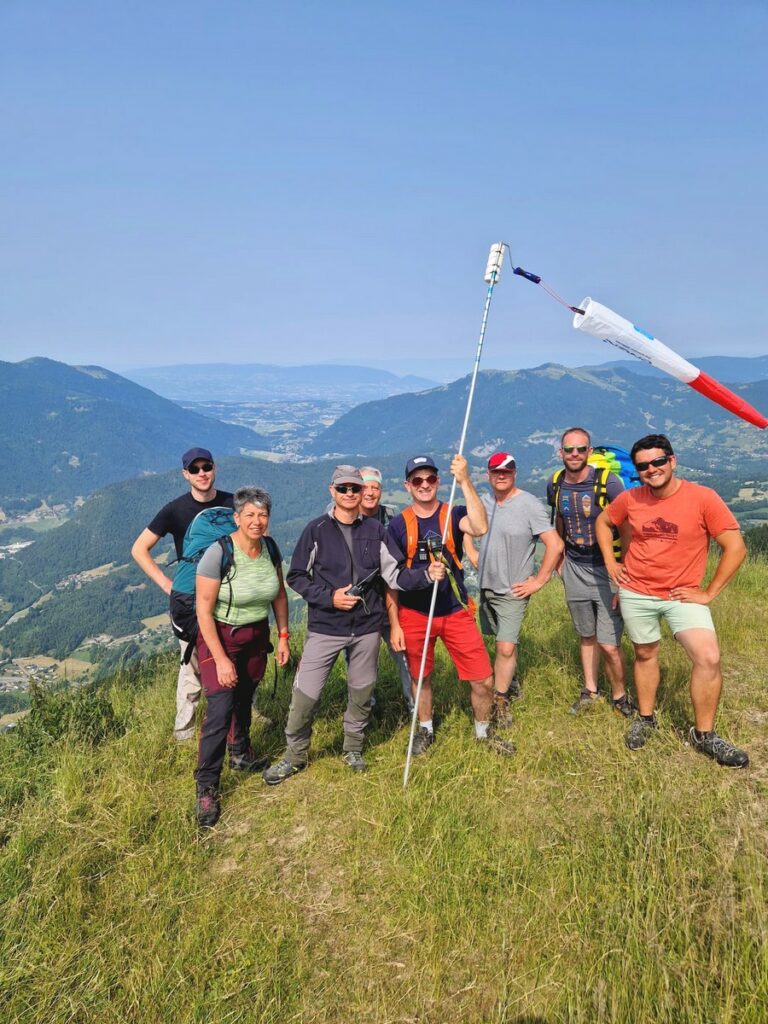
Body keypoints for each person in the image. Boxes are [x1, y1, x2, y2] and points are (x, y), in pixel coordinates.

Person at [262, 466, 444, 785]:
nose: (350, 494)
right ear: (331, 491)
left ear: (362, 494)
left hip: (366, 628)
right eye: (343, 488)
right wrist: (329, 598)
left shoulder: (376, 531)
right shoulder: (315, 530)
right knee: (306, 695)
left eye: (355, 489)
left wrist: (427, 574)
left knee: (361, 693)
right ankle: (295, 755)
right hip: (325, 627)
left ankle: (353, 749)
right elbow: (296, 577)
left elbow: (394, 574)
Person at [595, 434, 749, 767]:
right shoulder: (631, 498)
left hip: (682, 594)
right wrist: (611, 563)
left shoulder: (702, 498)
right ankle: (646, 718)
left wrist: (708, 593)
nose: (651, 469)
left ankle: (703, 735)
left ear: (672, 461)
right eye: (643, 466)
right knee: (645, 652)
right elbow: (604, 522)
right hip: (637, 591)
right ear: (637, 470)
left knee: (708, 657)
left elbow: (735, 547)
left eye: (658, 462)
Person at [386, 454, 515, 757]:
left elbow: (481, 526)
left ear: (438, 481)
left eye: (430, 478)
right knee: (421, 677)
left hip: (455, 609)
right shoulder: (397, 526)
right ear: (407, 485)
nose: (425, 485)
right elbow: (392, 578)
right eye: (417, 480)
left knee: (483, 678)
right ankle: (426, 728)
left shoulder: (453, 513)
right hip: (415, 613)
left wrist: (466, 480)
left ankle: (483, 733)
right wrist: (423, 576)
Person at [194, 486, 290, 826]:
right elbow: (203, 611)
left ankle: (241, 752)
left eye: (262, 514)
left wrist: (283, 636)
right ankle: (206, 787)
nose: (257, 520)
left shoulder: (271, 549)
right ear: (236, 518)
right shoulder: (219, 553)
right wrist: (220, 659)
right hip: (220, 638)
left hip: (255, 636)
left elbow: (278, 596)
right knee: (220, 708)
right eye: (249, 514)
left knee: (246, 695)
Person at [131, 447, 233, 741]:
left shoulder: (232, 503)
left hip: (229, 596)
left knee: (233, 657)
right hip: (191, 599)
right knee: (193, 666)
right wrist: (167, 584)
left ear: (214, 468)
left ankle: (238, 724)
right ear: (185, 474)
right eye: (195, 469)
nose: (202, 473)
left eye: (207, 467)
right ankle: (184, 732)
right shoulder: (174, 510)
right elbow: (139, 549)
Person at [465, 452, 563, 727]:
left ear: (515, 473)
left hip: (513, 590)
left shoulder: (529, 505)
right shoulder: (483, 502)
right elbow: (467, 529)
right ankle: (510, 679)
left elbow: (554, 545)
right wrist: (469, 549)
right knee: (498, 640)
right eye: (496, 471)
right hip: (486, 586)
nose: (501, 475)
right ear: (488, 474)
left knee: (505, 647)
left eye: (506, 471)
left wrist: (538, 581)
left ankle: (500, 698)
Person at [547, 428, 634, 717]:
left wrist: (624, 573)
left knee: (609, 643)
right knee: (586, 635)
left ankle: (620, 695)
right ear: (561, 452)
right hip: (574, 565)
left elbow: (627, 526)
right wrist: (559, 558)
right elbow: (559, 518)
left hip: (607, 568)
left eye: (580, 449)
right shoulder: (556, 483)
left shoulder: (608, 483)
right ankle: (591, 690)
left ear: (589, 451)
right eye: (569, 450)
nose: (574, 454)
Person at [359, 466, 414, 712]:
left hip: (394, 605)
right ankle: (365, 712)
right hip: (360, 609)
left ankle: (416, 708)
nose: (370, 493)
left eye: (375, 487)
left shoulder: (393, 520)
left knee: (406, 658)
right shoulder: (341, 518)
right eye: (364, 487)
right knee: (360, 666)